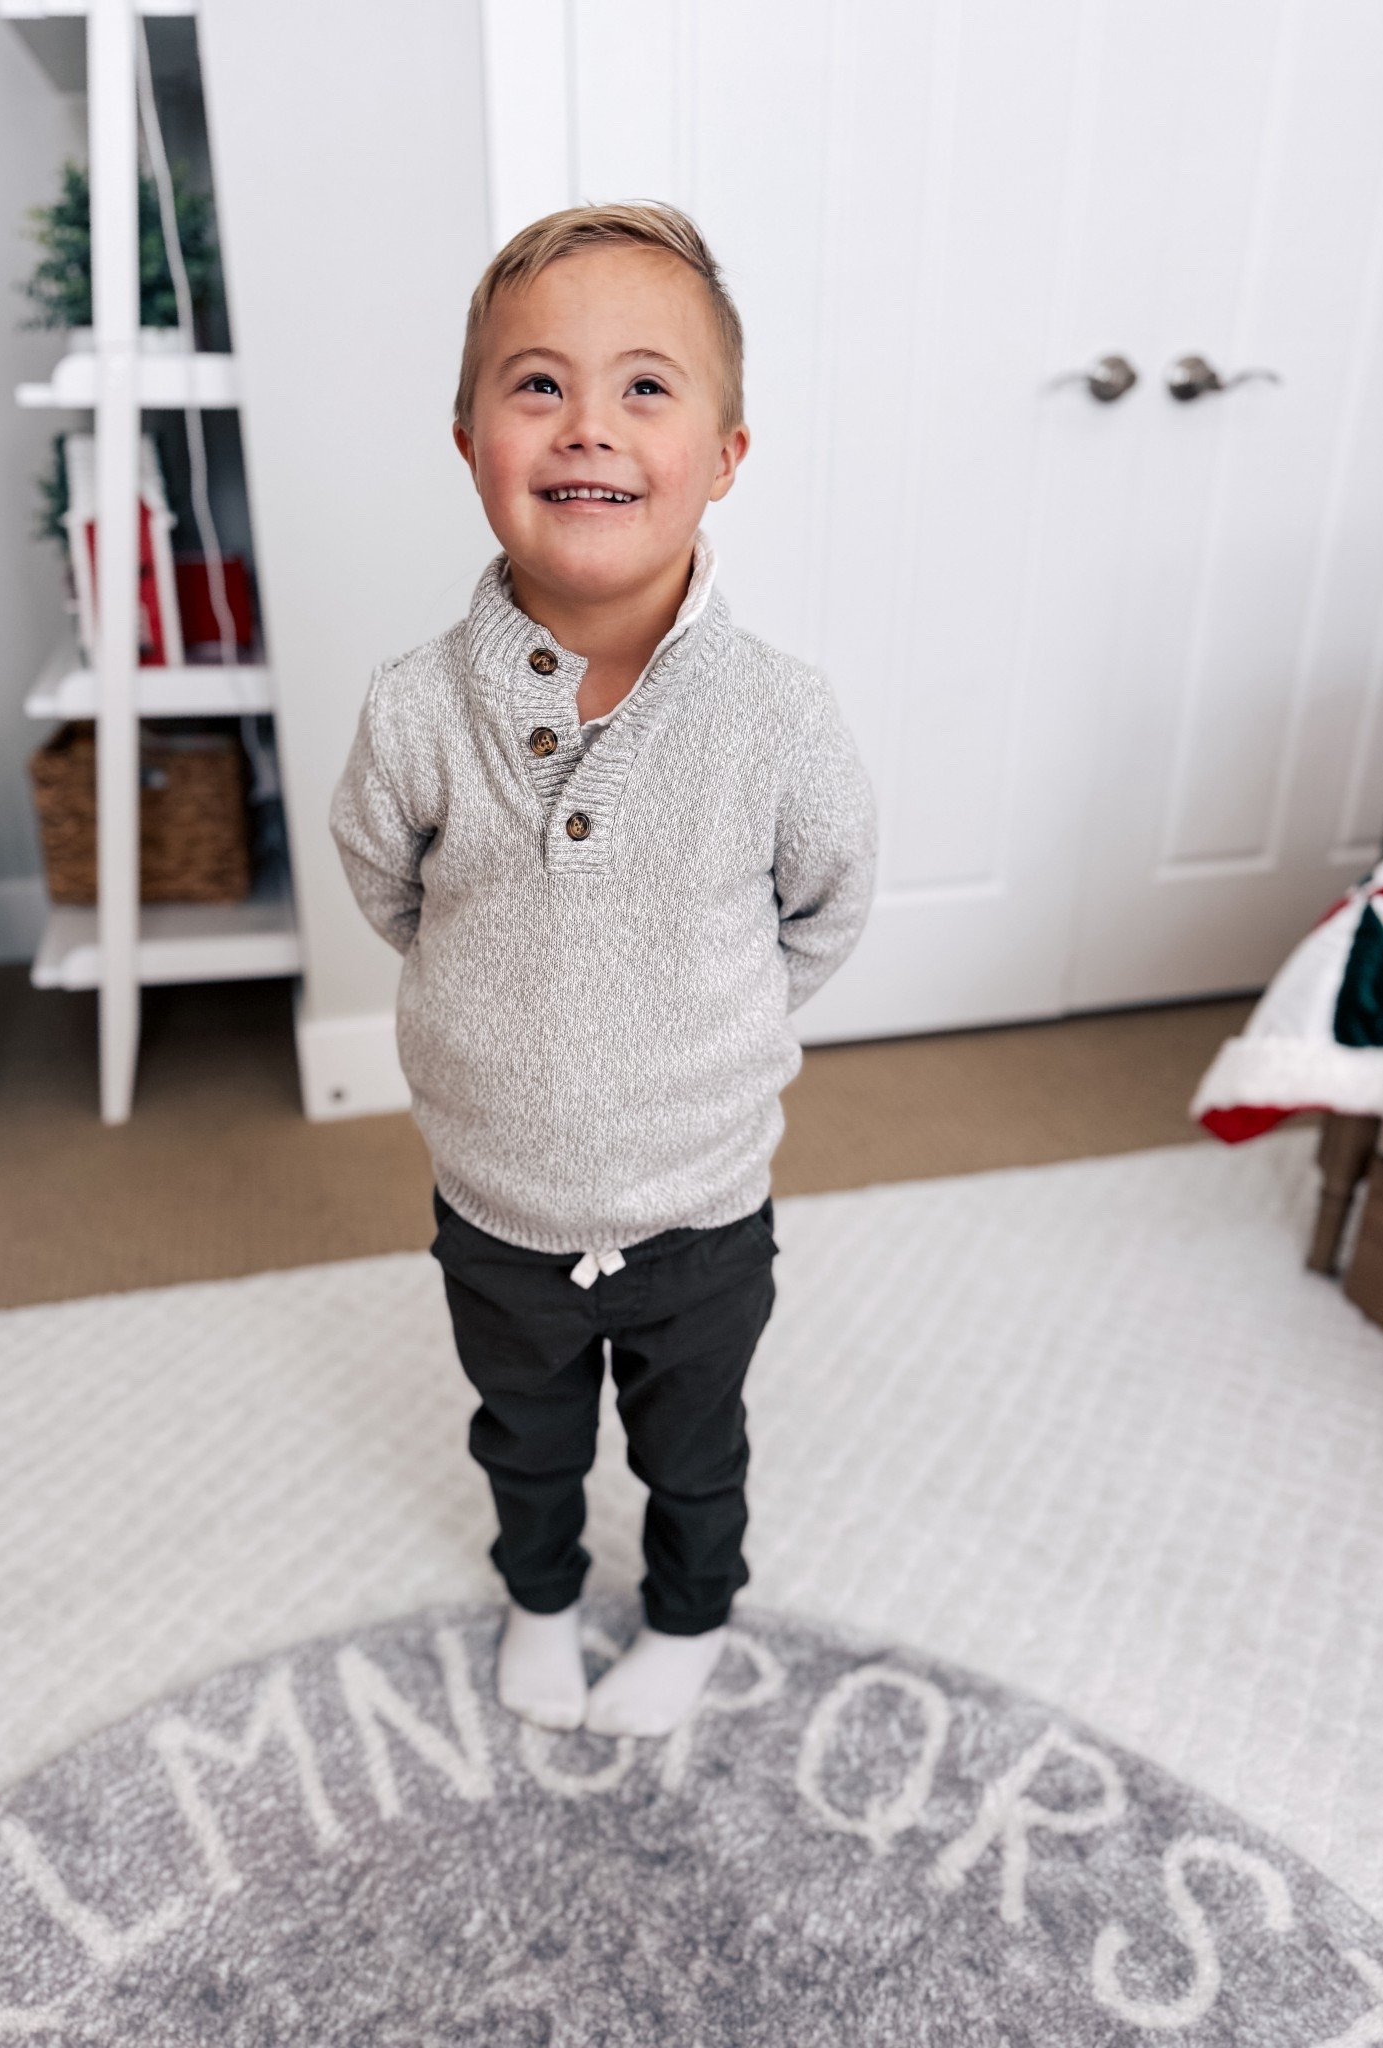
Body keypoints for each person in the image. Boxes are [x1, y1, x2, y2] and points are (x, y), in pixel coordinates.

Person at [330, 202, 876, 1740]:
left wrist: (712, 1026)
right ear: (468, 438)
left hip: (701, 1206)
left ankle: (693, 1614)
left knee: (693, 1448)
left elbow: (826, 907)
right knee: (526, 1436)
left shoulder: (778, 715)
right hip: (496, 1202)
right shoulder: (414, 707)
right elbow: (389, 881)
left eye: (646, 386)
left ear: (725, 453)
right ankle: (543, 1597)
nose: (590, 425)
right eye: (537, 385)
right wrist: (497, 1012)